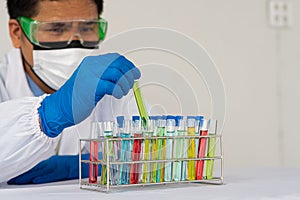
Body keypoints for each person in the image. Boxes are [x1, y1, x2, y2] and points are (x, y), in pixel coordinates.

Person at [0, 0, 141, 184]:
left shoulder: (109, 83)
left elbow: (143, 158)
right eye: (56, 29)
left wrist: (80, 167)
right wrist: (50, 114)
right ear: (17, 33)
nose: (75, 42)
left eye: (87, 28)